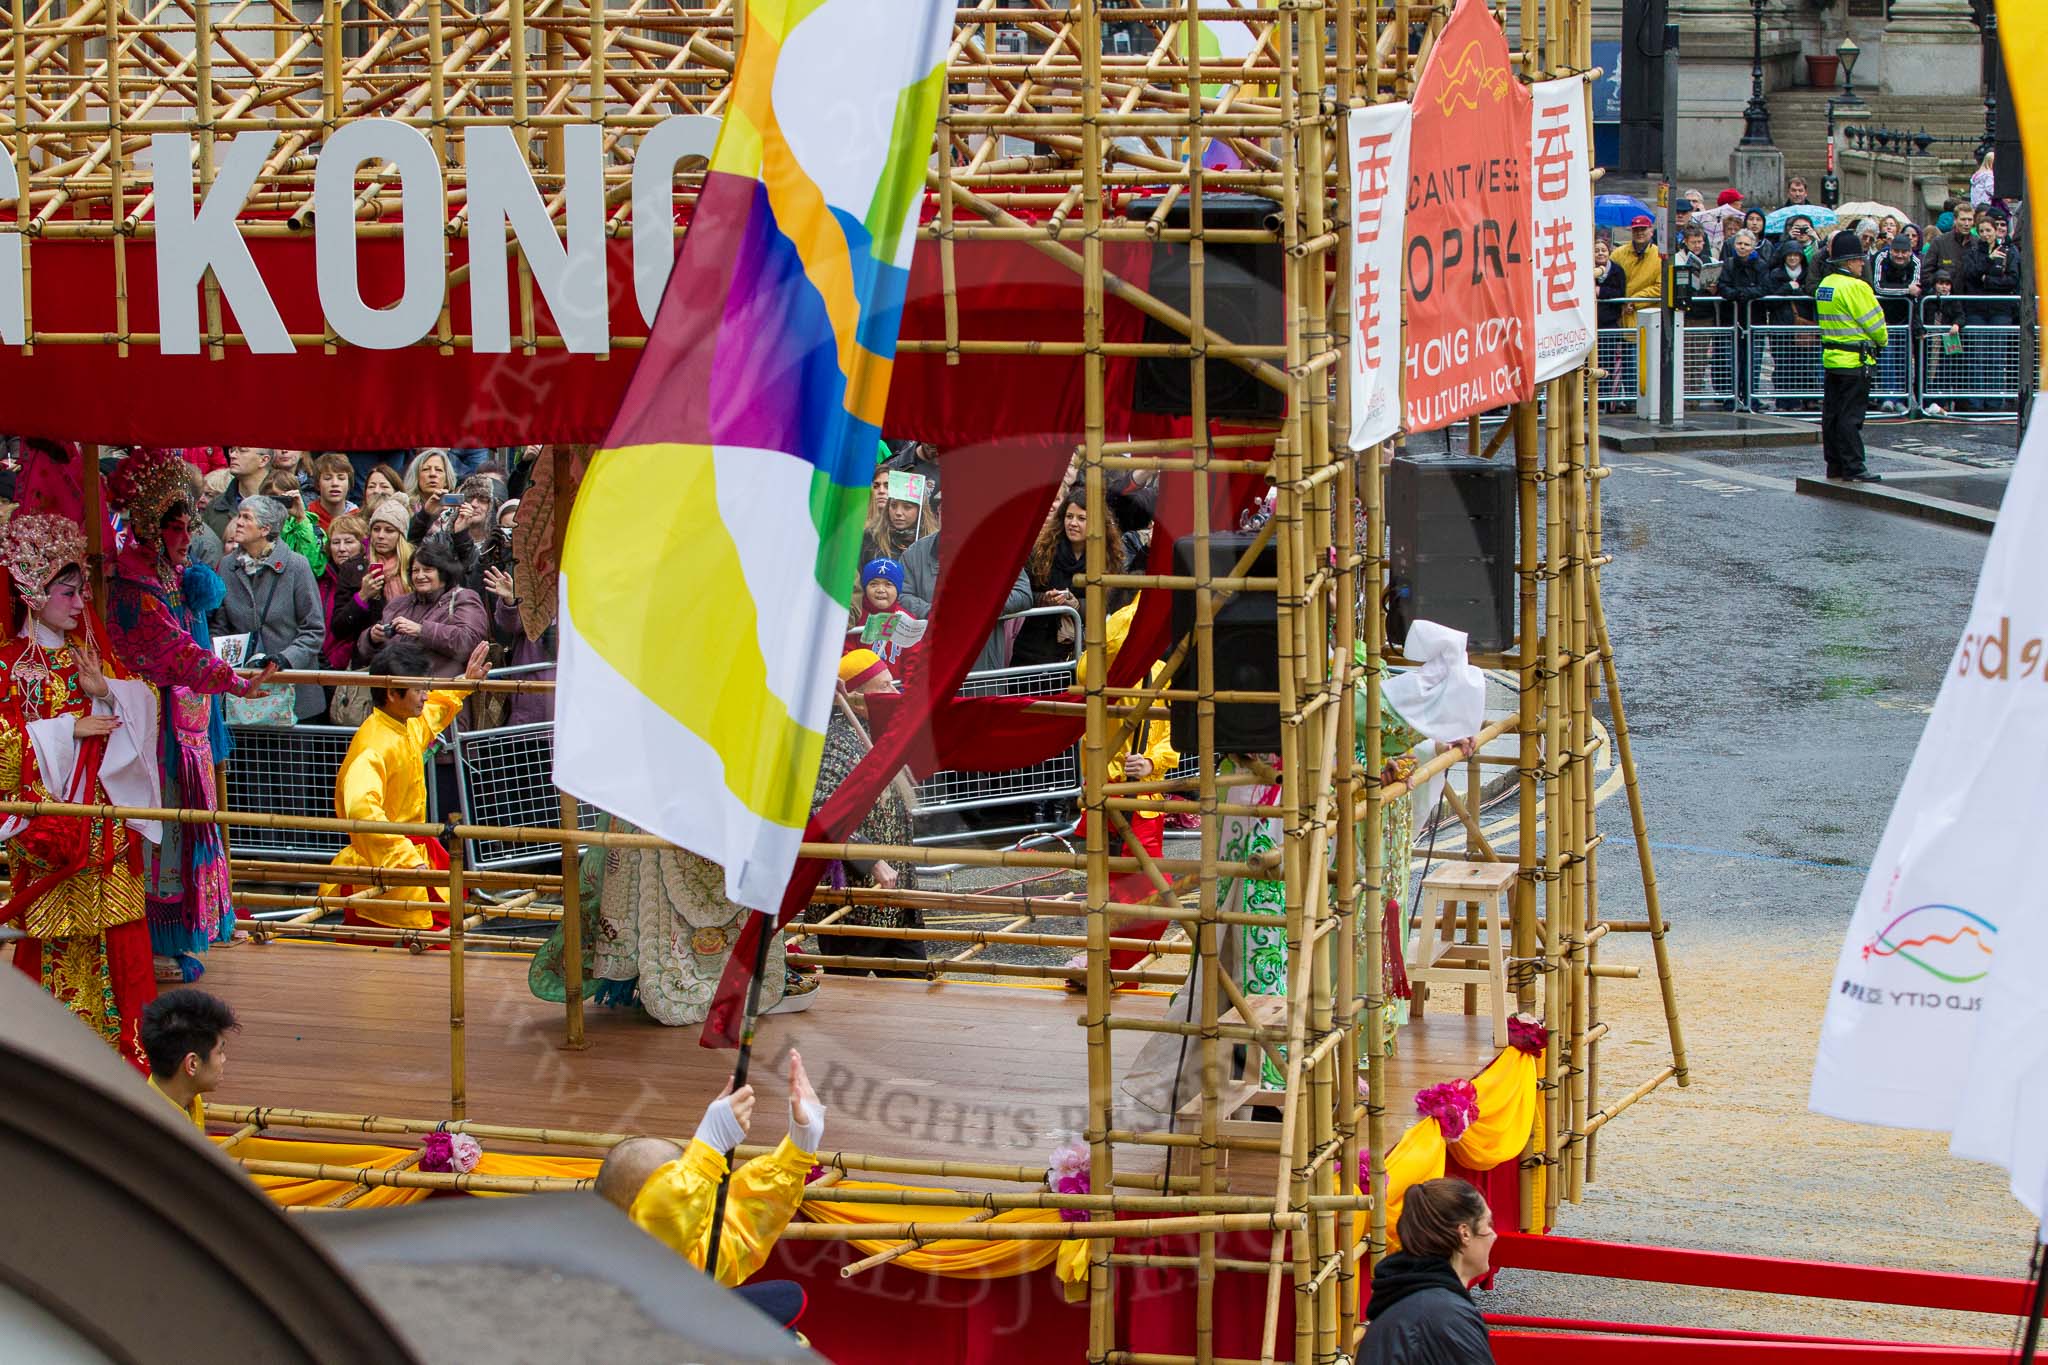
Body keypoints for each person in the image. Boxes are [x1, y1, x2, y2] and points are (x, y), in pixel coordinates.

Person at [0, 512, 163, 1072]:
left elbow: (144, 705)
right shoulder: (8, 666)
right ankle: (52, 1067)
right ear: (31, 594)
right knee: (52, 946)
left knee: (121, 947)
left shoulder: (88, 655)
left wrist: (108, 692)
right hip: (53, 837)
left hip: (106, 834)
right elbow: (3, 748)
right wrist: (63, 730)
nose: (78, 603)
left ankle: (130, 1065)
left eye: (81, 591)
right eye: (67, 592)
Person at [106, 449, 276, 982]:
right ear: (151, 528)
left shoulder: (173, 574)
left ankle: (174, 936)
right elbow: (170, 650)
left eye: (188, 526)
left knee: (183, 829)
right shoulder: (133, 581)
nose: (185, 537)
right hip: (149, 730)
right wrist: (232, 680)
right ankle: (146, 937)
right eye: (173, 528)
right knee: (158, 830)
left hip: (186, 724)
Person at [595, 1050, 824, 1287]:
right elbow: (662, 1226)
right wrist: (706, 1153)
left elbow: (739, 1227)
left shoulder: (689, 1259)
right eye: (687, 1204)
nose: (696, 1209)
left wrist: (799, 1147)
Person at [320, 638, 490, 932]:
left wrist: (464, 683)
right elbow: (362, 810)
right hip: (386, 854)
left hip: (414, 848)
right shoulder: (372, 746)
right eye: (418, 690)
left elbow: (436, 707)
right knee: (376, 947)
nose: (424, 696)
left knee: (435, 935)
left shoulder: (407, 721)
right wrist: (403, 857)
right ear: (392, 693)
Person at [798, 655, 926, 976]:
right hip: (854, 904)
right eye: (883, 687)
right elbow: (820, 811)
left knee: (914, 987)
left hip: (896, 899)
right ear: (857, 697)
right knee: (848, 996)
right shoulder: (838, 742)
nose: (893, 695)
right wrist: (873, 863)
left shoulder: (874, 732)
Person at [358, 534, 489, 817]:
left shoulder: (464, 599)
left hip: (443, 715)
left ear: (444, 571)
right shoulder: (399, 604)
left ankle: (451, 859)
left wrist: (421, 630)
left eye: (427, 569)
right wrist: (373, 636)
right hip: (396, 718)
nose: (419, 575)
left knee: (446, 807)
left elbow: (469, 639)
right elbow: (366, 651)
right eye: (415, 570)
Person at [213, 494, 328, 721]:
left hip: (293, 693)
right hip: (242, 692)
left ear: (265, 529)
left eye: (246, 517)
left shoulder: (296, 566)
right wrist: (222, 658)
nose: (238, 522)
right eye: (239, 516)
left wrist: (285, 659)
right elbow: (220, 624)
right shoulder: (227, 566)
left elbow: (314, 629)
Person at [1360, 1178, 1496, 1365]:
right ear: (1464, 1233)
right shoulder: (1445, 1316)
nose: (1494, 1235)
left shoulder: (1409, 1295)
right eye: (1487, 1224)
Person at [1014, 490, 1121, 668]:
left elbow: (1110, 604)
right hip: (1033, 650)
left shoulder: (1108, 559)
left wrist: (1076, 605)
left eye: (1081, 518)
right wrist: (1045, 600)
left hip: (1080, 655)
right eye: (1069, 516)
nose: (1073, 523)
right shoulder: (1042, 551)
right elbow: (1023, 593)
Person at [1815, 229, 1886, 483]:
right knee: (1850, 417)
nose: (1862, 263)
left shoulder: (1826, 284)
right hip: (1855, 360)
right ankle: (1854, 467)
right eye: (1858, 259)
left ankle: (1834, 465)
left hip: (1832, 359)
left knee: (1832, 415)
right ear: (1848, 261)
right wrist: (1881, 341)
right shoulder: (1856, 287)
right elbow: (1876, 325)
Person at [139, 987, 238, 1128]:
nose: (224, 1059)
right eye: (220, 1051)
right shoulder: (153, 1133)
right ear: (192, 1064)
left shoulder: (188, 1100)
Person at [319, 511, 378, 672]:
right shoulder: (321, 579)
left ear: (363, 544)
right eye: (336, 542)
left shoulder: (371, 579)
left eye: (349, 542)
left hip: (353, 664)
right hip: (319, 663)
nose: (341, 549)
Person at [1869, 236, 1922, 414]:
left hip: (1904, 318)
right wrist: (1906, 290)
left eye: (1904, 252)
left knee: (1903, 358)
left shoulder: (1915, 261)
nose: (1900, 256)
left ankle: (1901, 397)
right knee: (1887, 358)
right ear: (1890, 250)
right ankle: (1888, 397)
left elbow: (1916, 289)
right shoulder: (1880, 258)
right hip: (1883, 317)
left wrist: (1907, 291)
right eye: (1896, 252)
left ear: (1910, 251)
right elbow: (1878, 287)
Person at [262, 470, 327, 577]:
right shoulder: (253, 527)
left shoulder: (313, 531)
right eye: (273, 498)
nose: (279, 504)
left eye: (284, 498)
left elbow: (313, 570)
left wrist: (301, 519)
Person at [200, 446, 270, 540]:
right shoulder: (215, 506)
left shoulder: (281, 502)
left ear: (263, 460)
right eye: (232, 450)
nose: (232, 455)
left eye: (242, 450)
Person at [1608, 215, 1661, 323]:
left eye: (1643, 229)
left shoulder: (1661, 256)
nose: (1639, 232)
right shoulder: (1618, 254)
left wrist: (1634, 301)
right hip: (1621, 316)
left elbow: (1661, 287)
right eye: (1636, 229)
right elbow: (1610, 281)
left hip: (1650, 317)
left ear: (1651, 231)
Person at [403, 448, 459, 543]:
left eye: (438, 470)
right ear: (416, 477)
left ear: (446, 479)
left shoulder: (456, 510)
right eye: (425, 469)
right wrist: (425, 513)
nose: (432, 474)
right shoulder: (404, 507)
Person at [1922, 203, 1977, 286]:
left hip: (1971, 296)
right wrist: (1937, 288)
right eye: (1963, 219)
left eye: (1970, 220)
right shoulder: (1939, 242)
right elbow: (1926, 272)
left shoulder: (1978, 243)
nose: (1967, 223)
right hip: (1945, 297)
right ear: (1955, 219)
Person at [308, 452, 358, 533]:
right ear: (317, 484)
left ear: (349, 484)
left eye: (341, 478)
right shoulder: (308, 516)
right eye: (327, 478)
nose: (335, 483)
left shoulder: (359, 519)